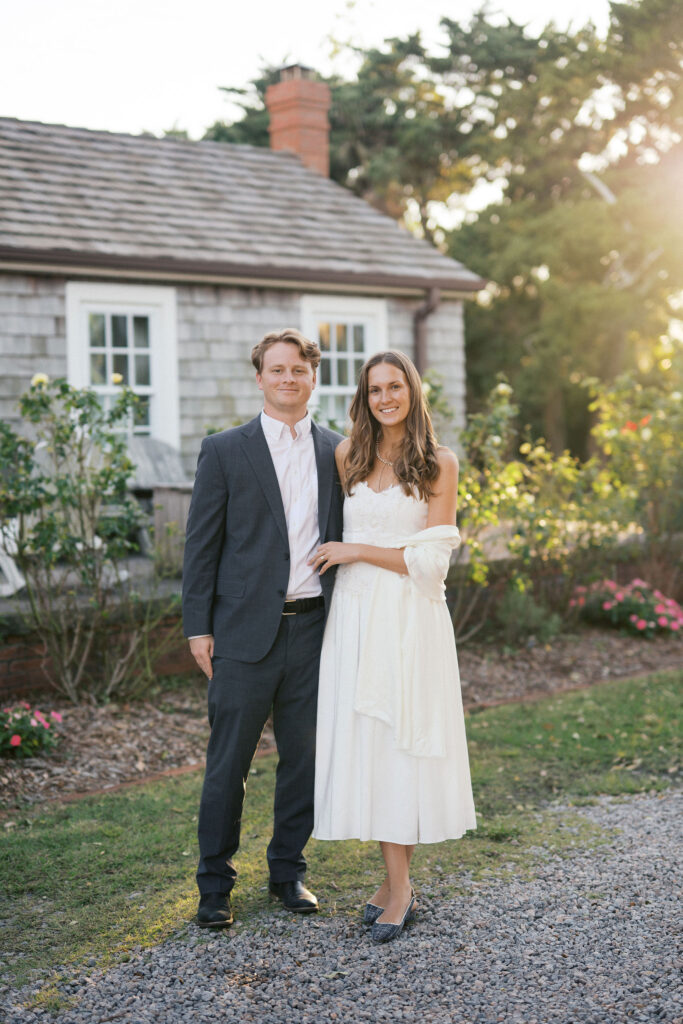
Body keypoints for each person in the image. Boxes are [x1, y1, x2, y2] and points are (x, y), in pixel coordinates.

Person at [311, 350, 477, 943]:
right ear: (364, 396)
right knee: (368, 742)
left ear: (413, 391)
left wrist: (353, 550)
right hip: (353, 618)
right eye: (374, 388)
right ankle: (389, 880)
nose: (385, 397)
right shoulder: (346, 456)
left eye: (395, 386)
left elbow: (432, 563)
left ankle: (401, 889)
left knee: (399, 743)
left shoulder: (437, 463)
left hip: (409, 620)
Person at [182, 328, 343, 928]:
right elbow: (202, 546)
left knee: (302, 760)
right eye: (276, 370)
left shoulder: (338, 450)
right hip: (243, 635)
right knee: (228, 764)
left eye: (298, 370)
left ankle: (288, 872)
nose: (287, 379)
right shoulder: (224, 450)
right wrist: (197, 626)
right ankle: (214, 884)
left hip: (313, 631)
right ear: (260, 378)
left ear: (312, 377)